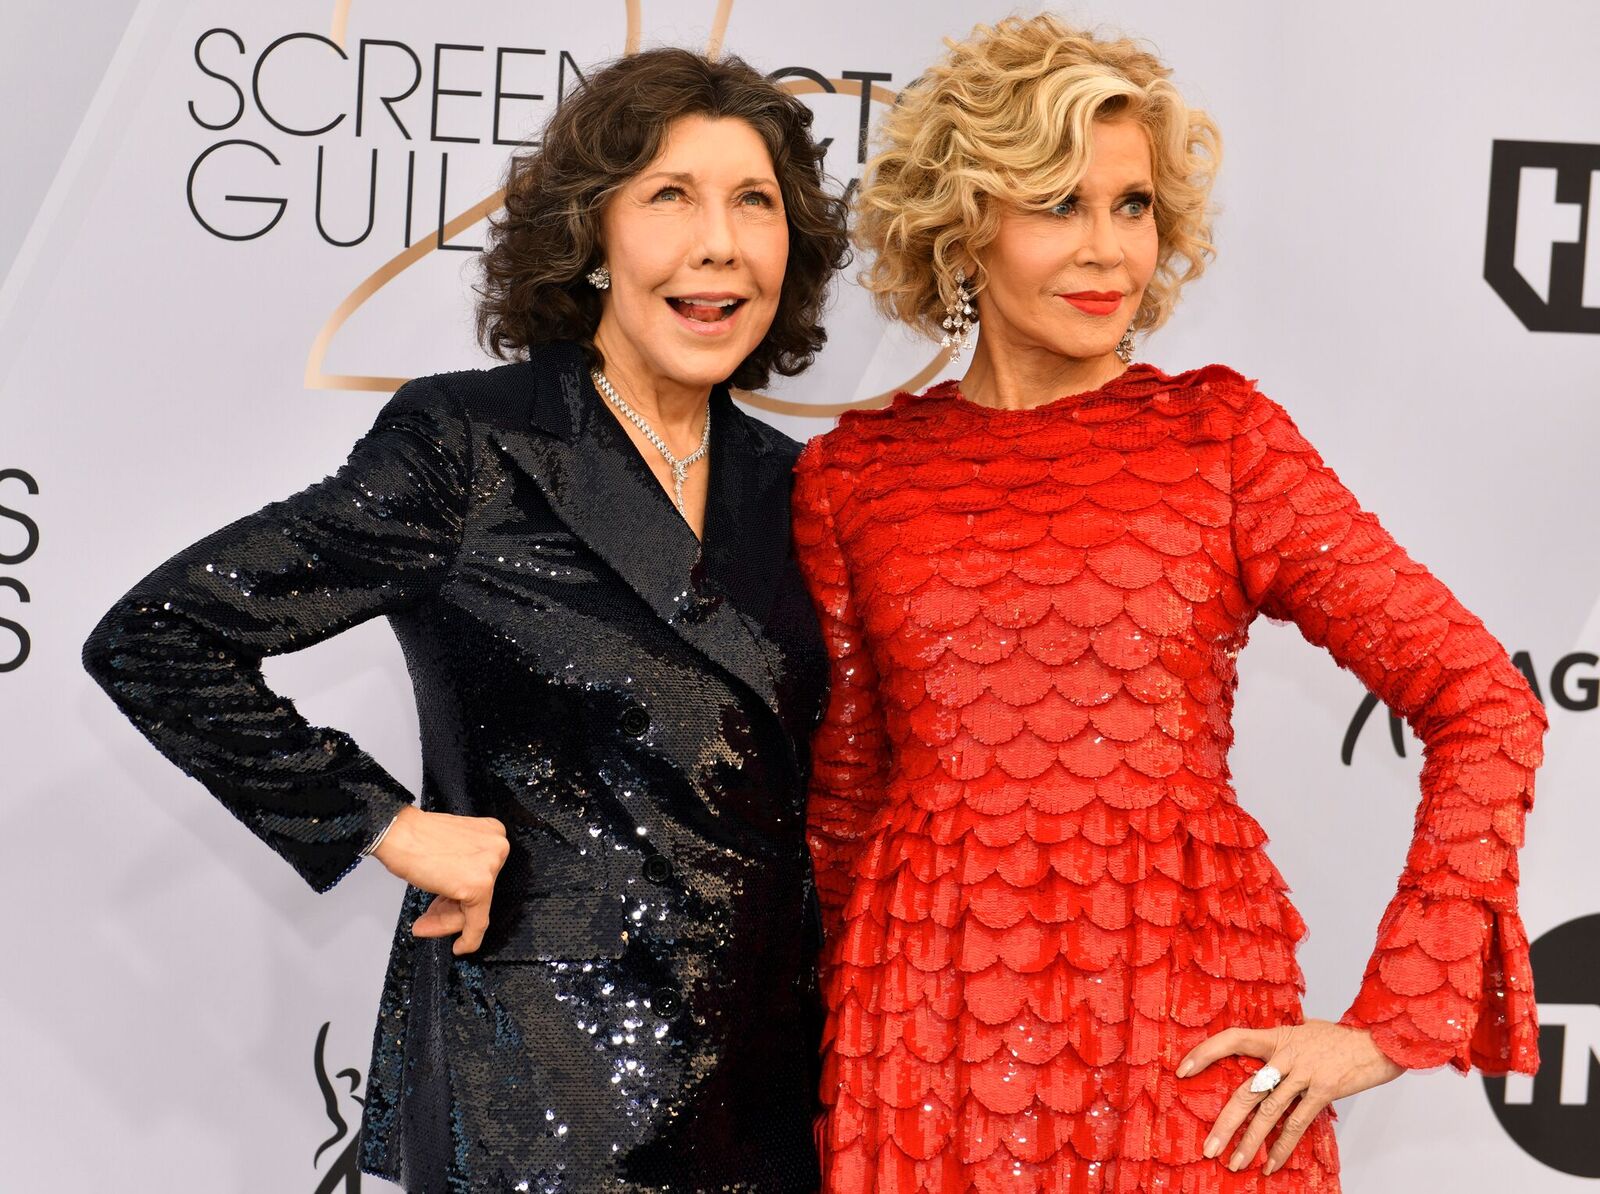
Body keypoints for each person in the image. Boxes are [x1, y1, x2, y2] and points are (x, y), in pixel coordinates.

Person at [793, 15, 1544, 1191]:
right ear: (960, 227)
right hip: (922, 1036)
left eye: (1131, 206)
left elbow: (1483, 701)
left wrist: (1398, 1011)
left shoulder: (1218, 439)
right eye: (1057, 205)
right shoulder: (854, 476)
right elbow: (846, 808)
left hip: (1184, 1028)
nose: (1107, 253)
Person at [83, 47, 848, 1191]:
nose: (719, 246)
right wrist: (382, 820)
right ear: (592, 234)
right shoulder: (473, 445)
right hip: (537, 1093)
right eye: (669, 197)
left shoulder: (806, 489)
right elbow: (160, 637)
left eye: (755, 203)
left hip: (769, 1107)